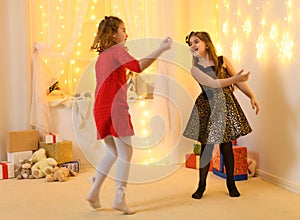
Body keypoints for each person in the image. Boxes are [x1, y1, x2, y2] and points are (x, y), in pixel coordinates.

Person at [86, 16, 172, 214]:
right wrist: (161, 49)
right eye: (123, 30)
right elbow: (138, 67)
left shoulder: (102, 56)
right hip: (115, 108)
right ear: (113, 33)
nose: (127, 34)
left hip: (100, 109)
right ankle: (119, 198)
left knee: (112, 152)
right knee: (126, 154)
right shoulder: (117, 50)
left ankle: (94, 191)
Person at [183, 31, 260, 199]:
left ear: (207, 43)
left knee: (226, 146)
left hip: (224, 106)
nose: (192, 45)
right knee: (206, 147)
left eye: (196, 41)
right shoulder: (195, 69)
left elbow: (239, 82)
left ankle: (231, 183)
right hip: (207, 107)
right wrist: (234, 79)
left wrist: (252, 96)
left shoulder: (222, 61)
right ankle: (201, 185)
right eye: (190, 43)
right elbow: (213, 84)